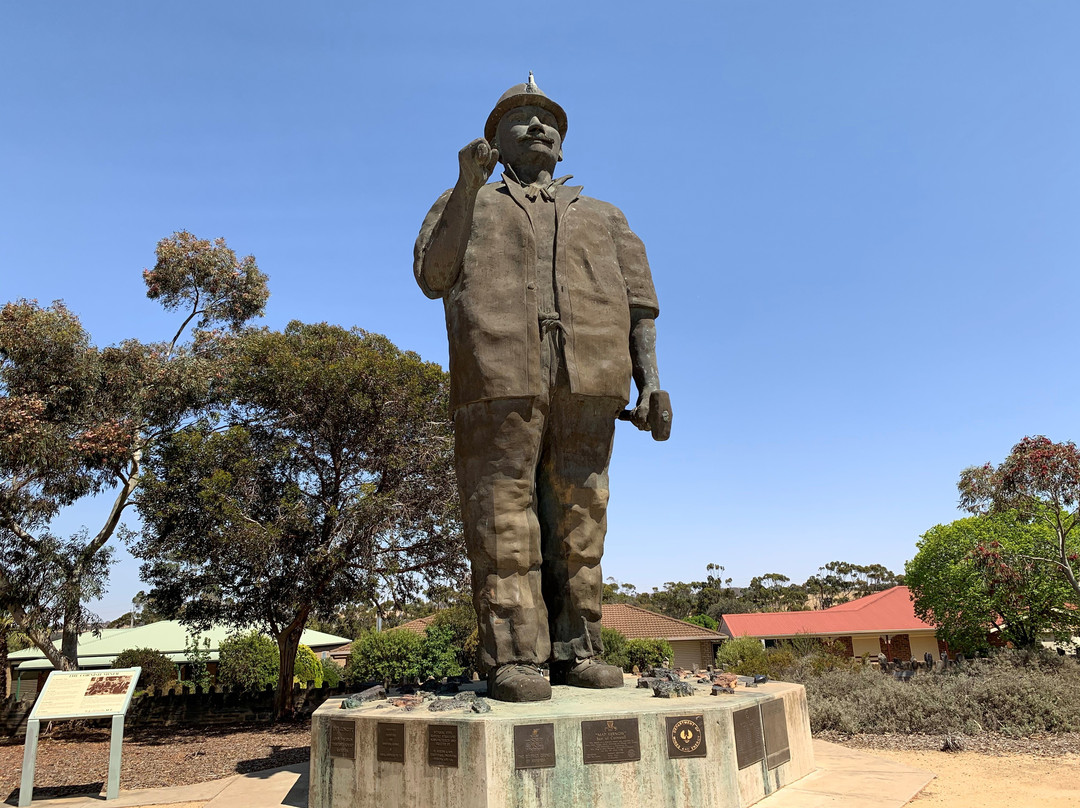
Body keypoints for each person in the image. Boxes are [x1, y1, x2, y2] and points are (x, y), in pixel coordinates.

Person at [414, 75, 668, 701]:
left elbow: (640, 307)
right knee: (503, 517)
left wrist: (652, 383)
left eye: (548, 119)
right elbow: (431, 274)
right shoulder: (466, 203)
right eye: (520, 117)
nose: (537, 126)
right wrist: (466, 188)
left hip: (589, 382)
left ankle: (578, 649)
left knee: (582, 520)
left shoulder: (607, 218)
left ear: (564, 142)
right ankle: (513, 659)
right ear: (492, 138)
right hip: (498, 381)